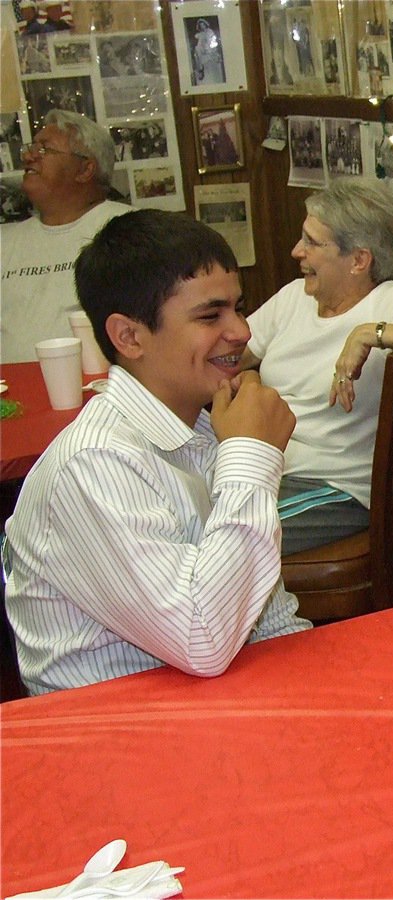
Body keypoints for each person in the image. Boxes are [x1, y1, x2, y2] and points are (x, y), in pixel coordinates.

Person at [3, 210, 311, 696]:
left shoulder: (207, 425)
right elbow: (202, 640)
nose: (242, 331)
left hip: (207, 701)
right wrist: (251, 456)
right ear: (129, 337)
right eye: (211, 316)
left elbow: (267, 616)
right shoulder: (95, 463)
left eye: (238, 307)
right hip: (114, 733)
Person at [239, 178, 393, 556]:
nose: (296, 251)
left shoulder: (390, 301)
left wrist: (371, 332)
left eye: (312, 242)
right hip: (267, 468)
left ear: (359, 260)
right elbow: (233, 355)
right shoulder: (293, 298)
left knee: (228, 536)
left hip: (334, 489)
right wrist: (248, 381)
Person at [0, 109, 130, 363]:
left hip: (102, 393)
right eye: (31, 147)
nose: (27, 156)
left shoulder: (130, 229)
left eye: (44, 149)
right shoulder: (5, 242)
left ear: (85, 169)